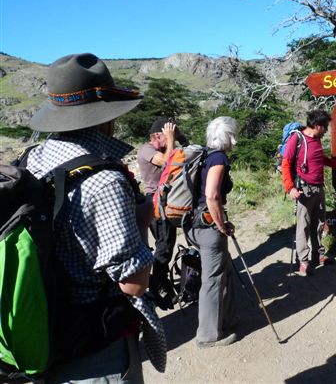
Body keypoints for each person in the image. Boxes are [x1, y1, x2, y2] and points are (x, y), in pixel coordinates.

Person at [26, 53, 166, 381]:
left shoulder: (32, 160)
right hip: (96, 346)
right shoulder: (104, 180)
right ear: (105, 115)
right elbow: (133, 285)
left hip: (42, 327)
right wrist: (140, 223)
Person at [188, 116, 239, 348]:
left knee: (223, 272)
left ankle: (224, 320)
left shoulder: (204, 155)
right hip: (208, 226)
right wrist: (221, 225)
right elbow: (212, 195)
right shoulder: (218, 158)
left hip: (193, 223)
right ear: (229, 135)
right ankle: (208, 335)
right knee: (213, 280)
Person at [281, 109, 336, 276]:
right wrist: (290, 187)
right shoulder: (297, 139)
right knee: (303, 225)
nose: (326, 130)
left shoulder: (316, 139)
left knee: (319, 223)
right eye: (325, 126)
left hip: (318, 188)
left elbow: (319, 158)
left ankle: (318, 255)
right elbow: (286, 163)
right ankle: (303, 260)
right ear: (317, 126)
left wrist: (335, 164)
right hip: (303, 189)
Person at [137, 116, 188, 308]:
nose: (170, 140)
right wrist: (170, 139)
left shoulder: (163, 147)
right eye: (166, 136)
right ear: (158, 135)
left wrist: (178, 136)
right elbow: (167, 163)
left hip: (166, 201)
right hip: (154, 202)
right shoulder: (147, 149)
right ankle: (159, 285)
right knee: (164, 246)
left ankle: (161, 280)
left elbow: (187, 150)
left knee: (168, 242)